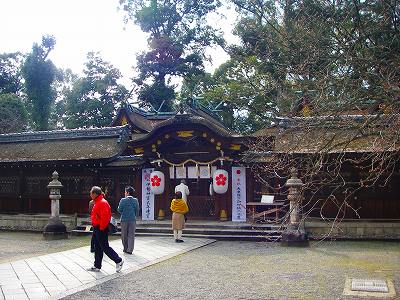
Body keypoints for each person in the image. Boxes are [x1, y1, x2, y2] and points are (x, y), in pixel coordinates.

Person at [88, 186, 124, 272]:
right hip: (97, 227)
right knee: (98, 247)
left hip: (101, 228)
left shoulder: (102, 203)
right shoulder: (98, 202)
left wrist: (101, 228)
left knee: (105, 247)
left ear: (95, 194)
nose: (90, 194)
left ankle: (118, 260)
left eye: (91, 193)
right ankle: (97, 265)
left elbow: (105, 217)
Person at [118, 186, 140, 254]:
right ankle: (130, 250)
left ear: (127, 193)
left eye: (125, 192)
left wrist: (123, 213)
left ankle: (125, 248)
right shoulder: (135, 200)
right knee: (131, 235)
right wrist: (134, 215)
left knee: (124, 235)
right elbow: (137, 210)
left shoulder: (123, 200)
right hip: (132, 219)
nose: (124, 193)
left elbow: (119, 209)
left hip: (124, 219)